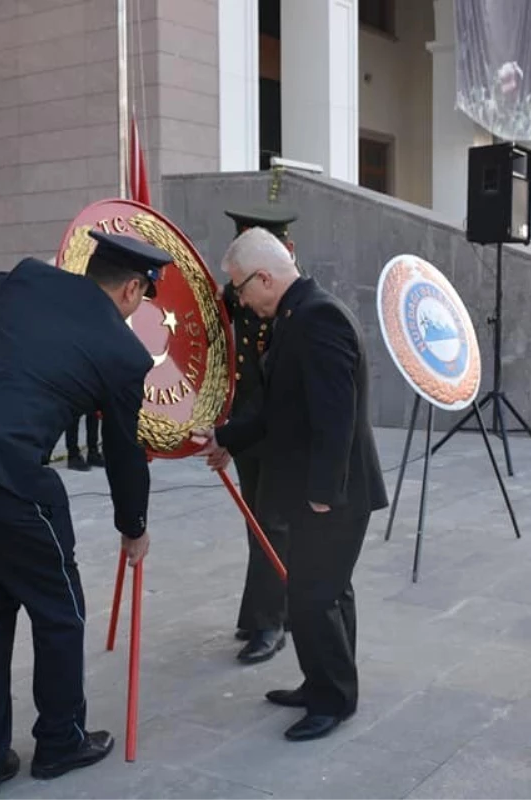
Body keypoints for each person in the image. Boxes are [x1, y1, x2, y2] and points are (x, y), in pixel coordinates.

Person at [0, 231, 171, 799]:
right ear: (133, 288)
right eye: (144, 298)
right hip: (5, 479)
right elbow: (123, 451)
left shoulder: (31, 281)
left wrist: (24, 283)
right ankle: (60, 741)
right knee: (59, 613)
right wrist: (134, 526)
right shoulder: (124, 355)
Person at [196, 227, 388, 742]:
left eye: (239, 287)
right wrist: (227, 437)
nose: (238, 299)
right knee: (324, 592)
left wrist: (325, 492)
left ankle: (332, 701)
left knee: (314, 595)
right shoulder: (294, 315)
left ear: (264, 277)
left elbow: (334, 415)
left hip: (331, 495)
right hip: (320, 489)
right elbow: (280, 407)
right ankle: (324, 682)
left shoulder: (316, 317)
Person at [220, 204, 300, 665]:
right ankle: (263, 613)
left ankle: (271, 623)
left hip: (274, 426)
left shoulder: (290, 300)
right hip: (246, 426)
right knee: (258, 522)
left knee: (273, 523)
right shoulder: (237, 296)